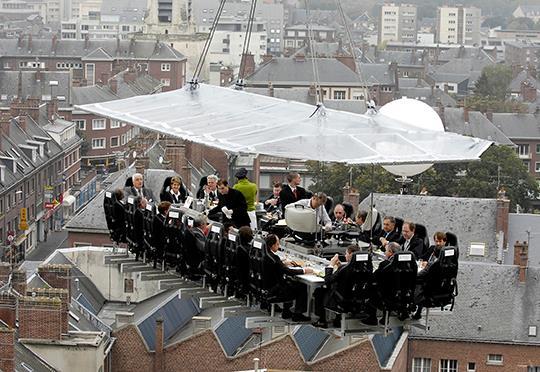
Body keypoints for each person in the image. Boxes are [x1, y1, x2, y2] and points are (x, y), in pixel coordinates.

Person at [265, 234, 313, 322]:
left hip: (271, 288)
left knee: (290, 282)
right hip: (278, 290)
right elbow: (288, 272)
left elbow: (278, 266)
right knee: (301, 286)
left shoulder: (267, 256)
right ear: (272, 245)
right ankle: (298, 314)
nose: (278, 246)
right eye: (277, 244)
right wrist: (304, 270)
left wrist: (282, 262)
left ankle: (286, 311)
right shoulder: (274, 258)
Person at [312, 245, 359, 328]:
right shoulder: (362, 268)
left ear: (351, 255)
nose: (345, 256)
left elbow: (328, 280)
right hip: (354, 298)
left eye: (346, 253)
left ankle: (322, 320)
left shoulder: (344, 269)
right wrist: (340, 266)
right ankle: (338, 320)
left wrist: (331, 265)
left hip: (340, 299)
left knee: (319, 292)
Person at [152, 201, 171, 268]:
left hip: (158, 240)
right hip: (161, 242)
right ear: (166, 211)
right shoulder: (162, 221)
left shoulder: (157, 217)